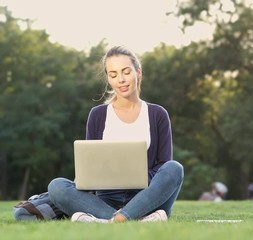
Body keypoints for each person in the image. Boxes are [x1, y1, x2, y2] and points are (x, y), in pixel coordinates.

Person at [47, 46, 184, 223]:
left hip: (147, 198)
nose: (121, 80)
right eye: (113, 75)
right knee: (57, 186)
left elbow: (163, 166)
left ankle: (112, 220)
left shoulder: (157, 114)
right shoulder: (98, 115)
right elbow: (91, 167)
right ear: (108, 79)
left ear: (138, 72)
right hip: (106, 199)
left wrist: (134, 177)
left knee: (175, 168)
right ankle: (128, 219)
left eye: (126, 72)